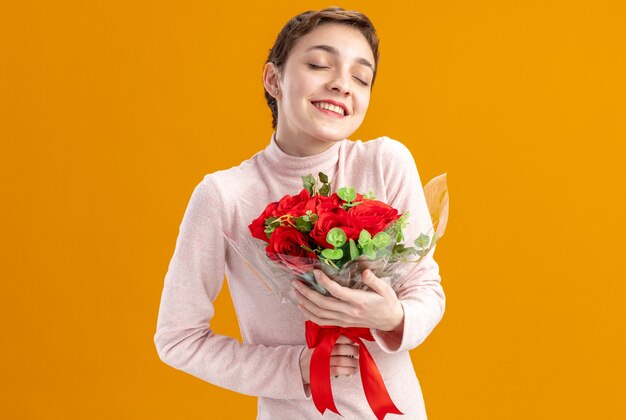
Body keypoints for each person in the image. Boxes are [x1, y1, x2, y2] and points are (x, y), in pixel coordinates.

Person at [154, 6, 445, 419]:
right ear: (274, 79)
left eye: (361, 77)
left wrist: (392, 316)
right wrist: (295, 368)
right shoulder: (224, 195)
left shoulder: (386, 161)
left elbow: (426, 289)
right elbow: (177, 338)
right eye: (318, 64)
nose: (342, 84)